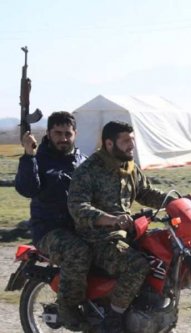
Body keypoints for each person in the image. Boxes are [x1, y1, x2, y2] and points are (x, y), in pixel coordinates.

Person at [67, 121, 174, 333]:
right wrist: (109, 219)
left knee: (163, 255)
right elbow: (77, 206)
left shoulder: (129, 168)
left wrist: (176, 201)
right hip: (97, 239)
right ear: (109, 143)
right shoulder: (89, 170)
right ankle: (114, 319)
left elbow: (145, 192)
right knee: (136, 265)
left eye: (132, 140)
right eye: (125, 141)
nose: (131, 145)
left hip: (125, 234)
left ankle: (147, 309)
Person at [15, 111, 90, 331]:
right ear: (48, 133)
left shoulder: (83, 161)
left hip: (80, 227)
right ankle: (67, 309)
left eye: (68, 133)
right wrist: (28, 154)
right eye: (58, 133)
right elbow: (27, 188)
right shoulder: (38, 159)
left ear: (75, 134)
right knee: (78, 252)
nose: (63, 138)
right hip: (49, 231)